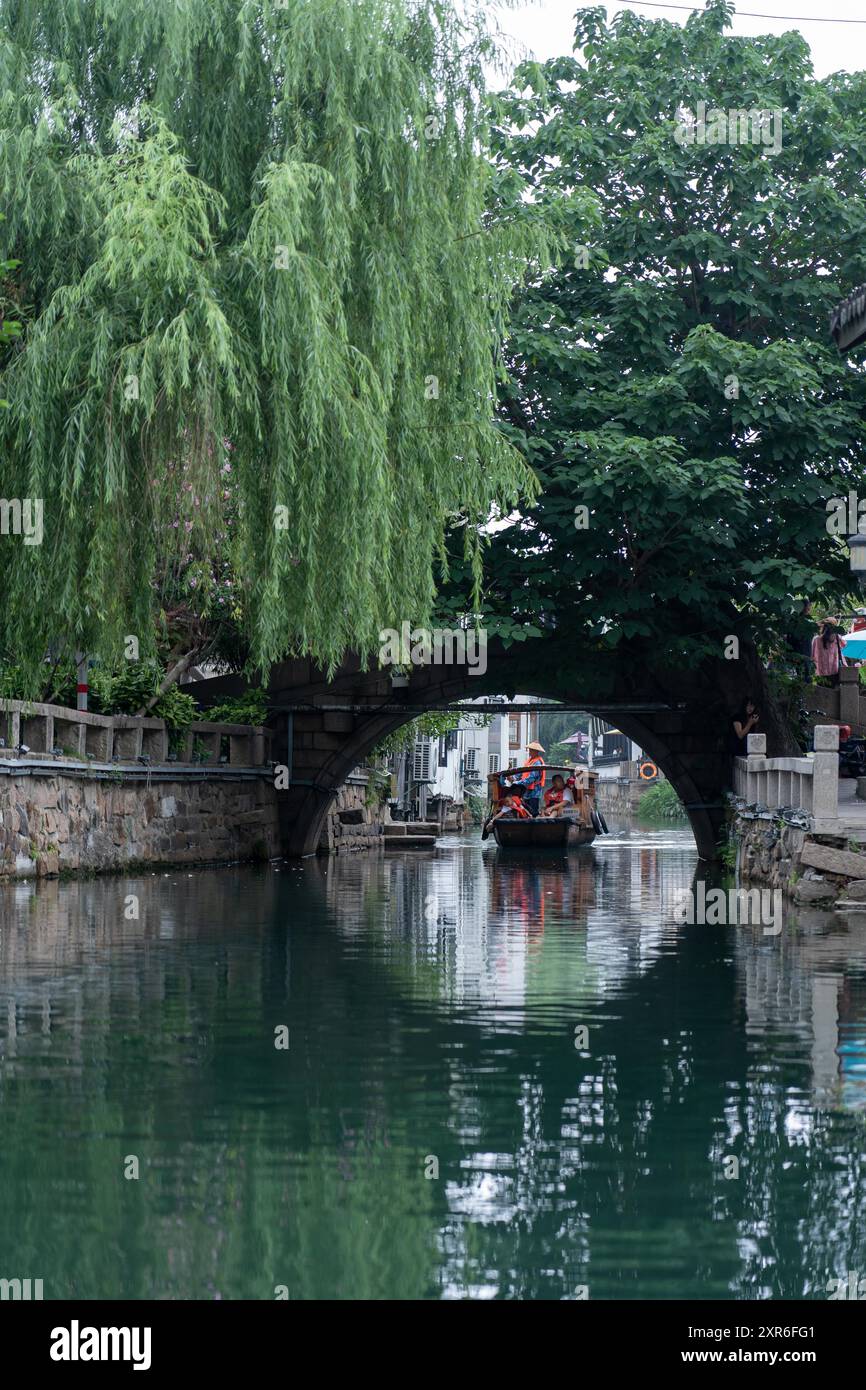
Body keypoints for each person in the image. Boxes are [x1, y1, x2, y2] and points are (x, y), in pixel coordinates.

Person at [505, 740, 546, 818]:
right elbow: (521, 773)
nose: (529, 751)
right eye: (529, 750)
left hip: (534, 791)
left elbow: (531, 778)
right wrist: (513, 778)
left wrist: (516, 783)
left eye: (531, 750)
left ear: (536, 751)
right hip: (526, 790)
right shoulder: (529, 761)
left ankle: (533, 824)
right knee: (526, 808)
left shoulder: (537, 762)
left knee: (533, 810)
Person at [811, 617, 847, 686]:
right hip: (835, 671)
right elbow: (844, 644)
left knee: (822, 693)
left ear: (824, 626)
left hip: (820, 672)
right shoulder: (837, 638)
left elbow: (812, 656)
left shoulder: (816, 639)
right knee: (835, 693)